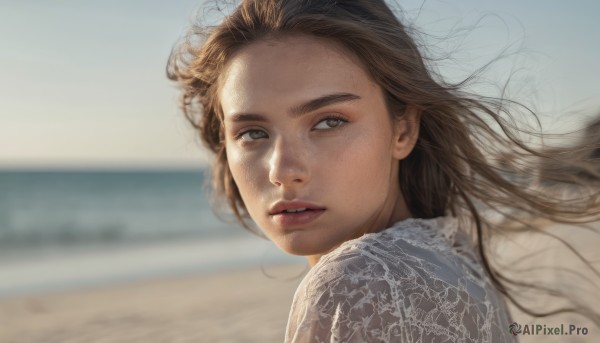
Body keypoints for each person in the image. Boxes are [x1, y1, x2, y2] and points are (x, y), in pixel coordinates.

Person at [167, 0, 600, 341]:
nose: (283, 171)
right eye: (253, 132)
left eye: (329, 122)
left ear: (403, 128)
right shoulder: (447, 251)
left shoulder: (360, 285)